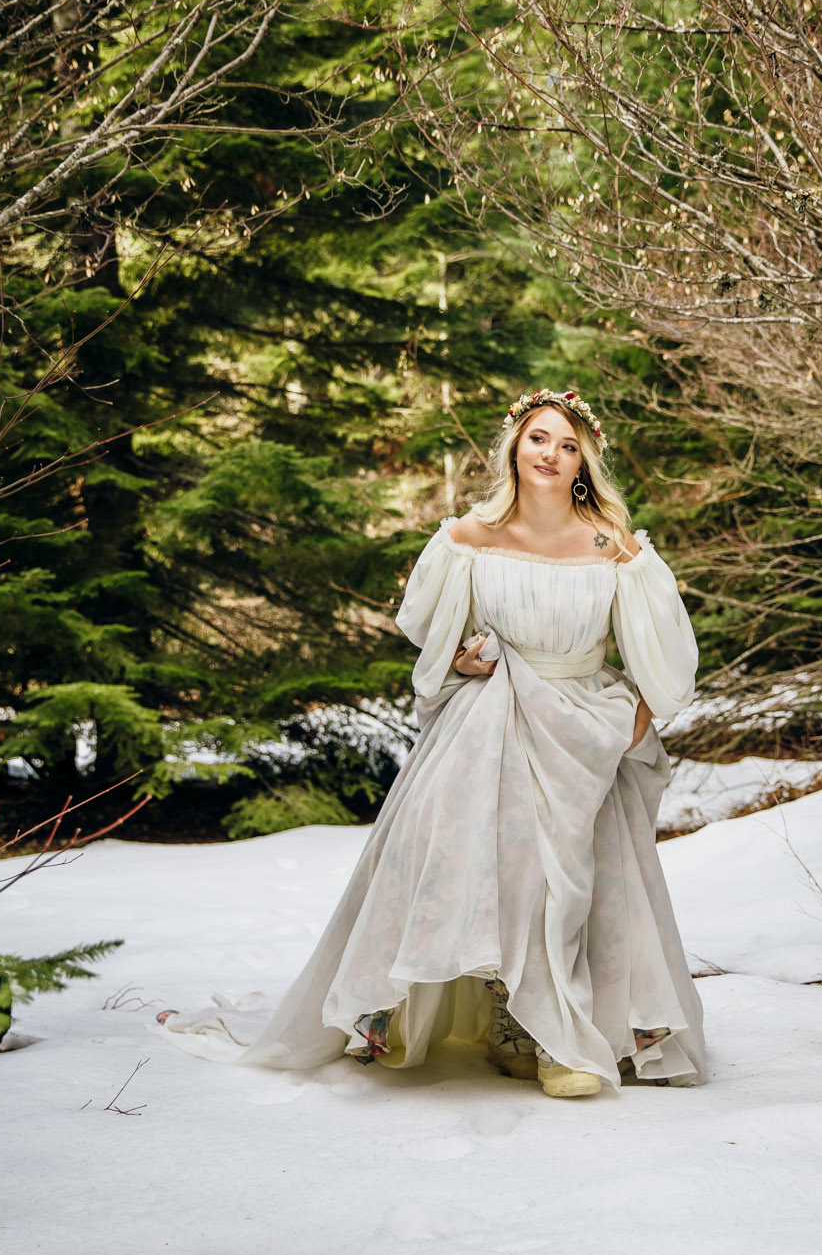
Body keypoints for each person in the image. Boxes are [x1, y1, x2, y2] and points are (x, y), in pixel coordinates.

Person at [238, 388, 707, 1097]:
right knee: (492, 861)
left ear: (585, 461)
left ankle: (560, 1031)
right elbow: (438, 640)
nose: (552, 454)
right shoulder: (469, 537)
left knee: (574, 881)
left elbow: (662, 642)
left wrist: (637, 712)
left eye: (569, 444)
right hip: (497, 717)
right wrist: (461, 659)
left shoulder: (611, 541)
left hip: (583, 723)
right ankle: (517, 1028)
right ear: (515, 446)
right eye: (540, 438)